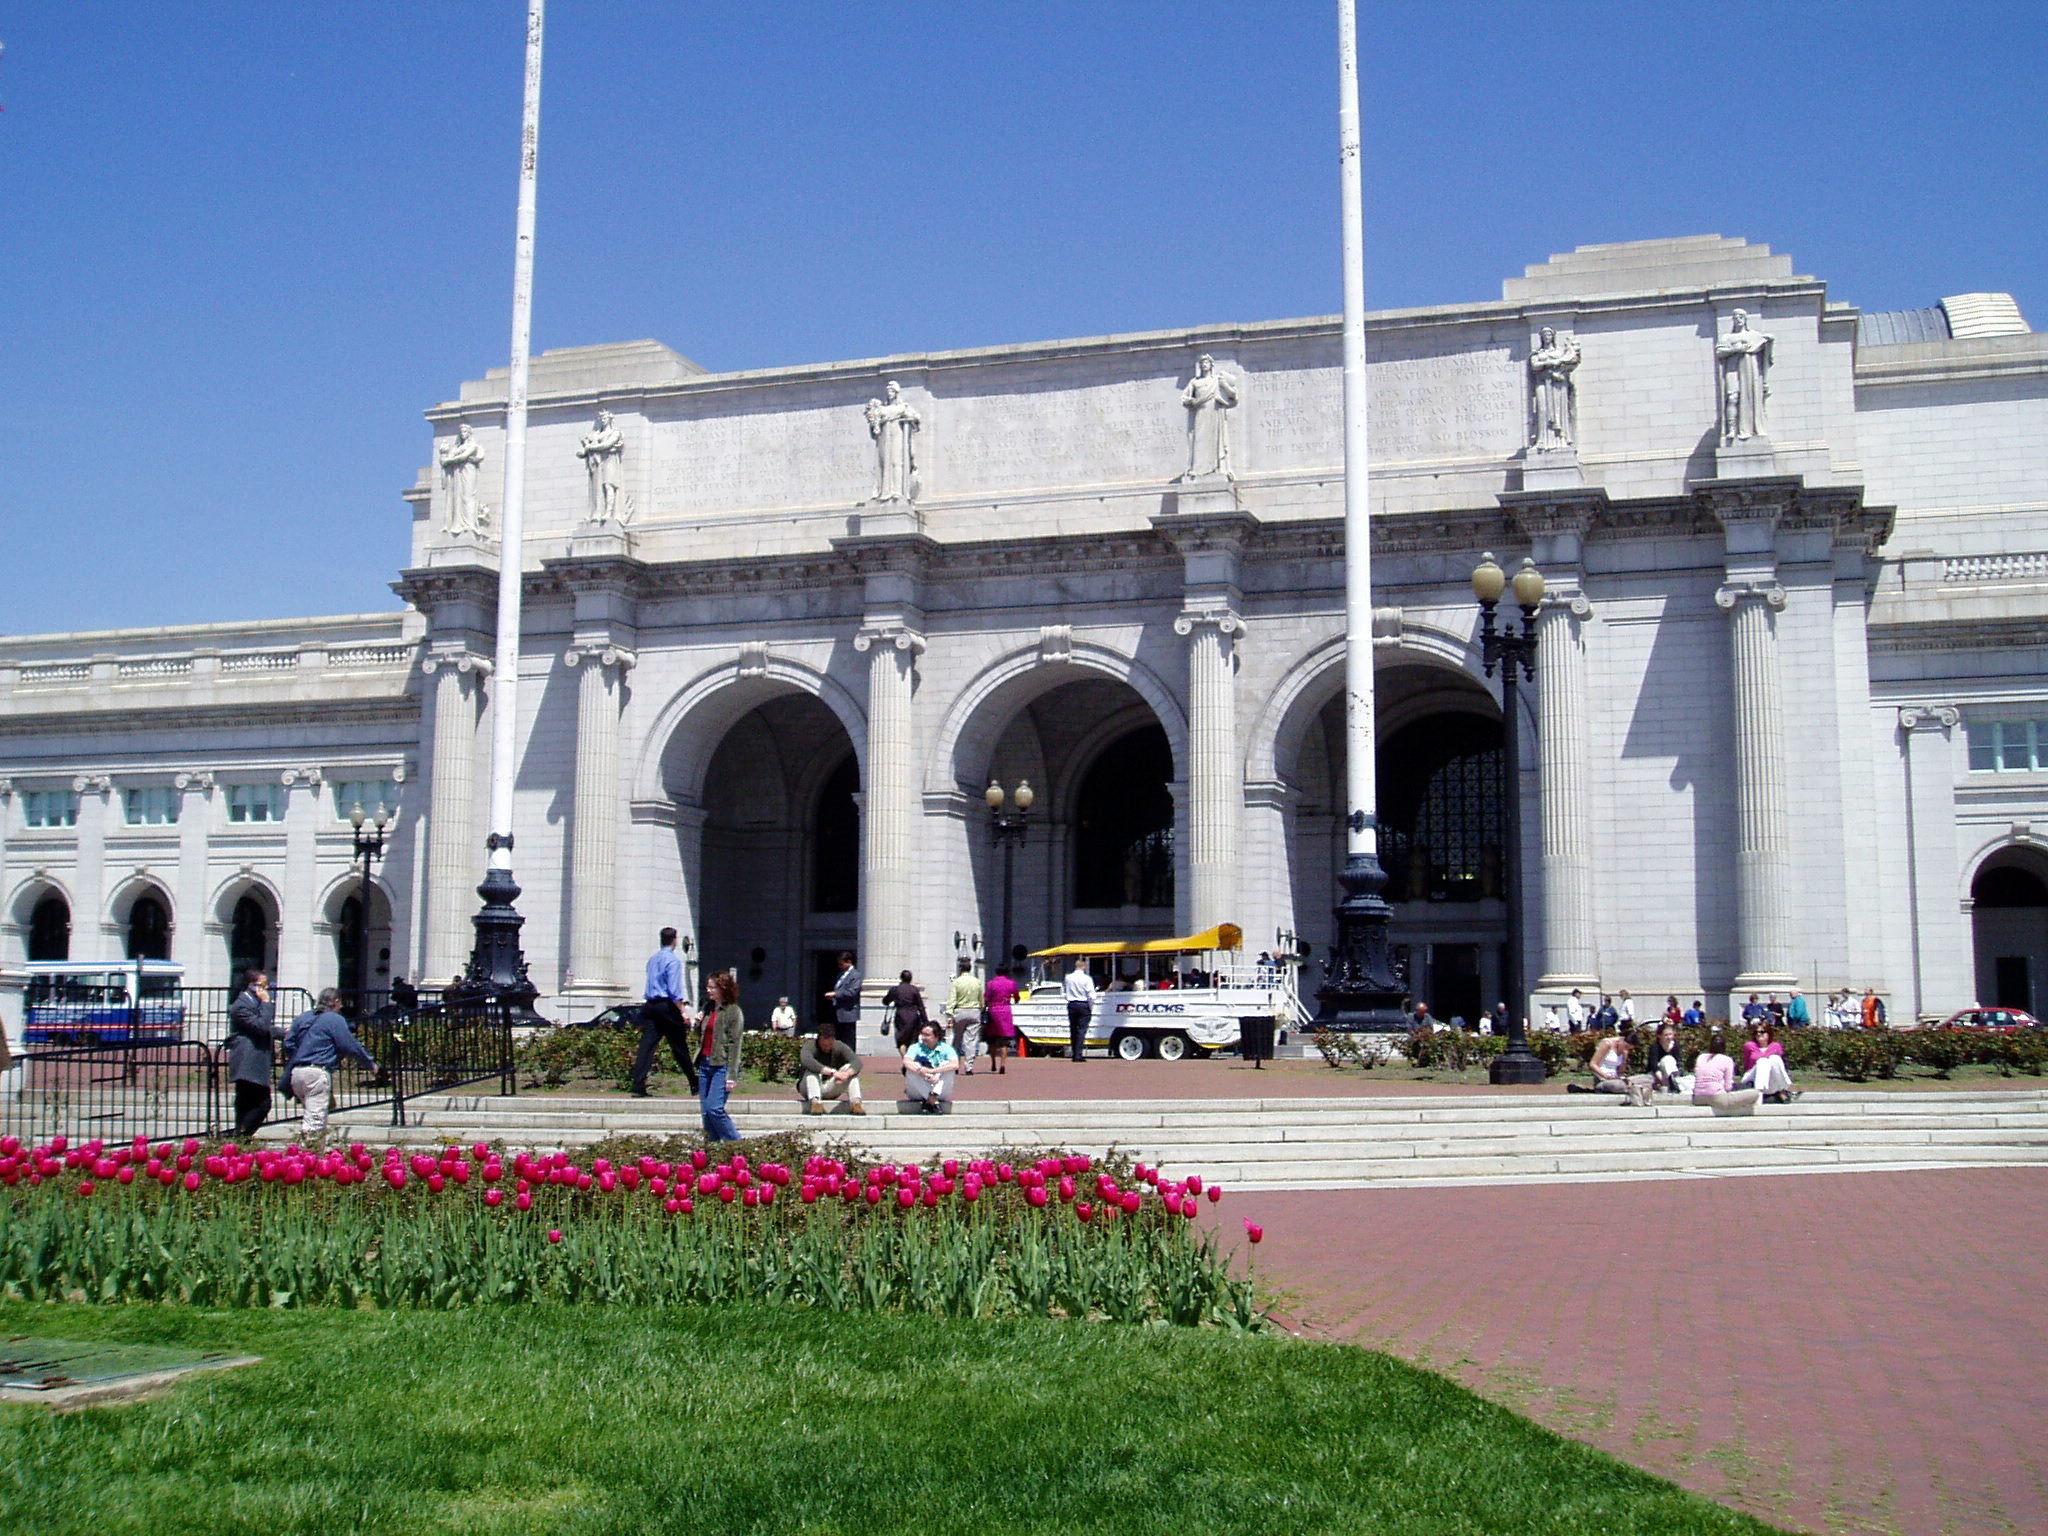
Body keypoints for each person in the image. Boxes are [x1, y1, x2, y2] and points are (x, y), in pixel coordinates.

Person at [280, 988, 377, 1138]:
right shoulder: (335, 1019)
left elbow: (288, 1043)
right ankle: (309, 1156)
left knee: (311, 1113)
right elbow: (349, 1045)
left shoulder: (303, 1018)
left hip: (297, 1072)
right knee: (315, 1121)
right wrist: (370, 1064)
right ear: (336, 1002)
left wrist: (300, 1054)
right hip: (317, 1071)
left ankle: (313, 1152)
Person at [633, 928, 698, 1098]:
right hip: (666, 1006)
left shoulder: (653, 960)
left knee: (646, 1047)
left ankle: (638, 1085)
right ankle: (694, 1083)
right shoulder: (673, 961)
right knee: (679, 1045)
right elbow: (674, 990)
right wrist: (683, 1011)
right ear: (674, 940)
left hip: (650, 1005)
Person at [226, 969, 287, 1137]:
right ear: (251, 985)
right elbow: (260, 1027)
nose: (267, 989)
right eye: (264, 984)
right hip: (248, 1063)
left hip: (256, 1063)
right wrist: (267, 1003)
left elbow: (263, 1026)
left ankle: (239, 1139)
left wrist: (284, 1033)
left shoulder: (253, 1003)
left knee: (247, 1105)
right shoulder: (241, 1006)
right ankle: (237, 1137)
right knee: (262, 1103)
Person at [697, 970, 745, 1141]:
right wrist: (697, 1023)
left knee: (714, 1109)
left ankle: (736, 1144)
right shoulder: (708, 1008)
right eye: (708, 987)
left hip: (721, 1066)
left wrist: (731, 1075)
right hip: (705, 1064)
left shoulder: (733, 1011)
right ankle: (713, 1148)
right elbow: (704, 1037)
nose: (708, 990)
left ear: (723, 988)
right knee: (705, 1112)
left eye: (712, 987)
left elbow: (735, 1044)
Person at [1691, 1028, 1761, 1113]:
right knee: (1755, 1093)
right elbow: (1728, 1087)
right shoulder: (1727, 1060)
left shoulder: (1701, 1057)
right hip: (1716, 1098)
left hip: (1698, 1098)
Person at [799, 1024, 864, 1115]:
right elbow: (806, 1060)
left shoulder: (839, 1046)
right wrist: (833, 1072)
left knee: (851, 1072)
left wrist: (846, 1075)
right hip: (809, 1087)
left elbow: (857, 1062)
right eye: (824, 1045)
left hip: (830, 1087)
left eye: (830, 1044)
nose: (827, 1047)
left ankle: (856, 1103)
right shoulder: (810, 1046)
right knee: (812, 1072)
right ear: (818, 1040)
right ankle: (815, 1103)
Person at [902, 1021, 959, 1113]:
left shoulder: (946, 1048)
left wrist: (933, 1071)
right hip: (917, 1091)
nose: (923, 1038)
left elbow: (955, 1064)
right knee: (914, 1066)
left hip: (940, 1090)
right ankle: (933, 1100)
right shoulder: (915, 1047)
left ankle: (931, 1099)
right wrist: (925, 1074)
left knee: (946, 1064)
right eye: (922, 1034)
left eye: (927, 1035)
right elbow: (906, 1062)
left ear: (936, 1036)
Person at [1739, 1020, 1800, 1103]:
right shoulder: (1750, 1046)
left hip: (1771, 1080)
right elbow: (1746, 1065)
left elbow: (1780, 1067)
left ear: (1768, 1033)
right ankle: (1759, 1095)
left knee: (1775, 1058)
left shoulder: (1776, 1046)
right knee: (1763, 1061)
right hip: (1752, 1076)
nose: (1758, 1034)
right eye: (1756, 1032)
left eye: (1762, 1032)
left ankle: (1787, 1088)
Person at [945, 957, 985, 1074]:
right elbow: (981, 999)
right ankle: (969, 1067)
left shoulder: (956, 982)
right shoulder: (977, 981)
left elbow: (952, 999)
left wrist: (949, 1015)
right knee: (971, 1040)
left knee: (957, 1039)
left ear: (960, 969)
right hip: (974, 1011)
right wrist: (980, 1009)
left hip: (960, 1011)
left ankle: (955, 1065)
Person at [983, 966, 1019, 1073]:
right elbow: (1017, 996)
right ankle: (1002, 1065)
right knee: (1004, 1040)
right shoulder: (1011, 983)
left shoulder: (991, 983)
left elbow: (986, 998)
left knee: (992, 1039)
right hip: (1005, 1011)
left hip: (994, 1010)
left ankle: (993, 1062)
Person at [1062, 957, 1098, 1061]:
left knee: (1073, 1029)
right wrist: (1091, 1007)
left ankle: (1074, 1053)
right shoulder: (1087, 978)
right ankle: (1078, 1054)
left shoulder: (1068, 977)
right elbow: (1091, 995)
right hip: (1083, 1004)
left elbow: (1065, 991)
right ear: (1083, 967)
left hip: (1072, 1004)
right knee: (1082, 1030)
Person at [883, 970, 928, 1049]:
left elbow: (885, 1001)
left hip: (900, 1016)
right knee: (913, 1040)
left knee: (901, 1040)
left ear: (901, 978)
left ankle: (905, 1057)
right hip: (913, 1016)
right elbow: (921, 1006)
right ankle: (910, 1057)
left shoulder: (895, 989)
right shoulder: (914, 990)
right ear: (910, 979)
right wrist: (925, 1021)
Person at [826, 951, 862, 1044]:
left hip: (848, 1012)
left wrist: (835, 994)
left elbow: (852, 992)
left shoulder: (856, 975)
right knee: (838, 1038)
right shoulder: (840, 975)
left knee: (848, 1039)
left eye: (841, 964)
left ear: (849, 961)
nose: (840, 966)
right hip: (837, 1011)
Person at [1650, 1022, 1687, 1095]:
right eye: (1666, 1035)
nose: (1669, 1037)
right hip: (1657, 1074)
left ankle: (1673, 1082)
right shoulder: (1655, 1047)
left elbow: (1678, 1062)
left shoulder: (1675, 1045)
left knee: (1669, 1060)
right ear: (1659, 1036)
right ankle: (1670, 1083)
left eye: (1670, 1034)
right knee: (1667, 1059)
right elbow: (1654, 1066)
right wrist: (1662, 1079)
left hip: (1672, 1073)